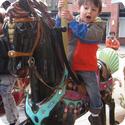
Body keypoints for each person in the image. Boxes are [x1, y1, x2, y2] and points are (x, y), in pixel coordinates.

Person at [56, 0, 106, 125]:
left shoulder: (98, 26)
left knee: (93, 90)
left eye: (94, 9)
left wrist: (71, 21)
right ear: (79, 8)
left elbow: (86, 35)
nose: (89, 11)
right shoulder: (73, 20)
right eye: (86, 7)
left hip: (86, 67)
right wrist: (59, 14)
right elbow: (58, 31)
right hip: (68, 64)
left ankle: (95, 113)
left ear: (98, 13)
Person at [0, 11, 19, 125]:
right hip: (5, 73)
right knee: (6, 94)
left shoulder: (4, 39)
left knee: (6, 94)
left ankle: (12, 120)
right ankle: (14, 116)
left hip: (7, 73)